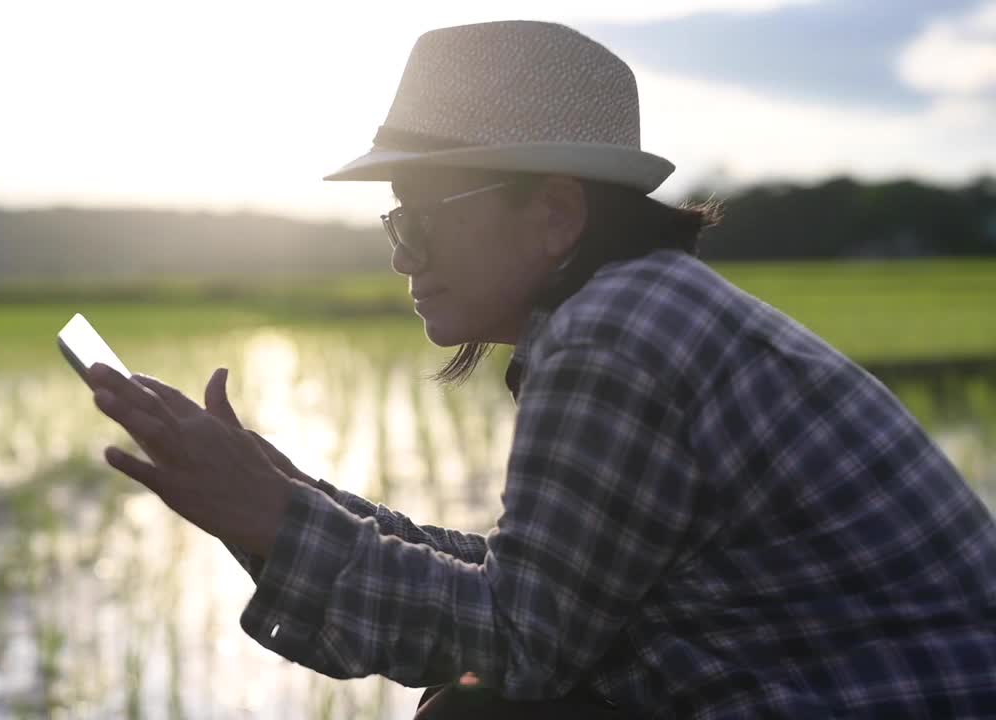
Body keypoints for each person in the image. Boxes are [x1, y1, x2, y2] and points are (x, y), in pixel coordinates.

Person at [85, 20, 996, 719]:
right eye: (397, 222)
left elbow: (518, 639)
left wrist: (272, 519)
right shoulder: (634, 307)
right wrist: (295, 505)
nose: (405, 255)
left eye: (426, 215)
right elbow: (536, 585)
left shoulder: (615, 337)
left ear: (556, 215)